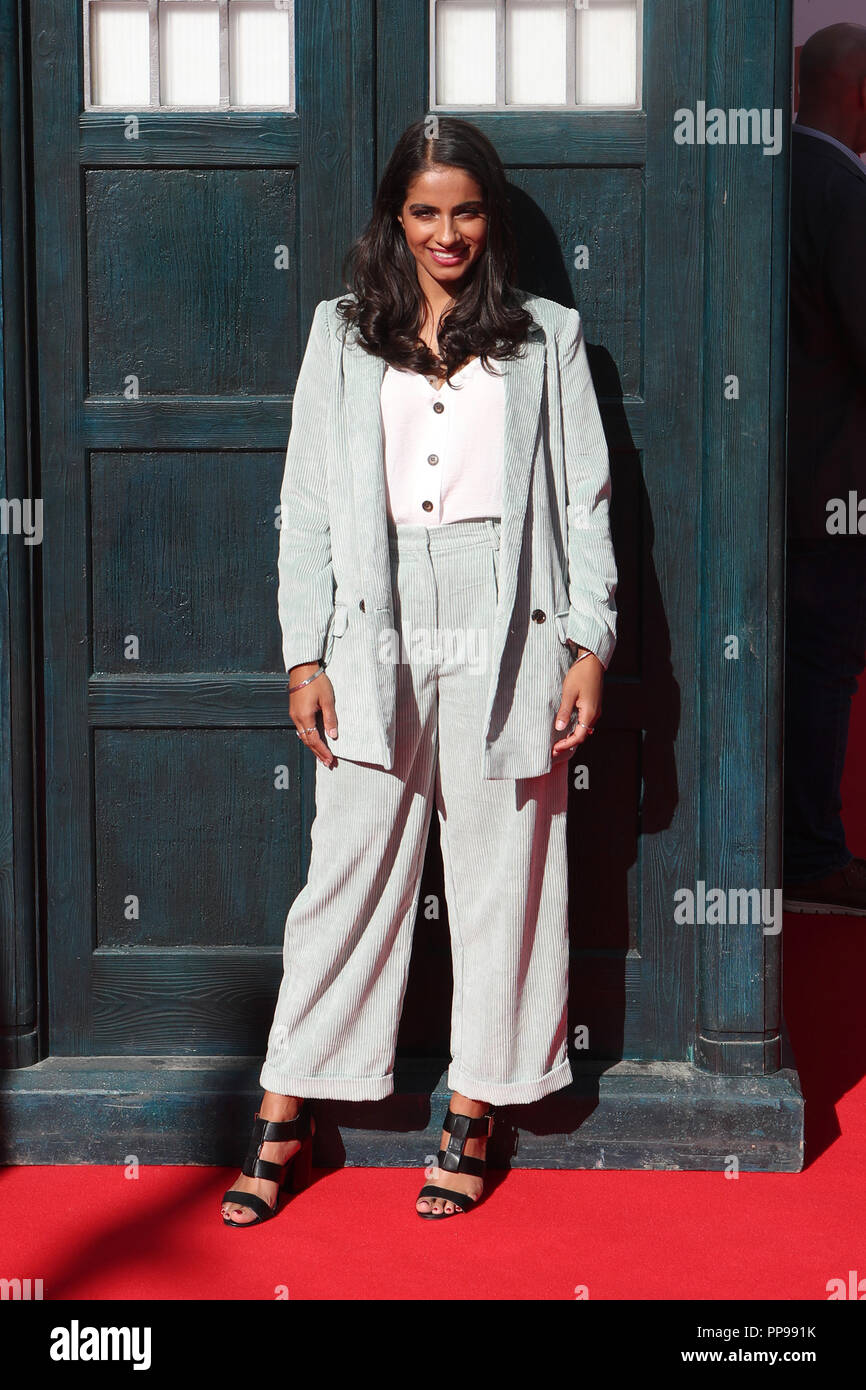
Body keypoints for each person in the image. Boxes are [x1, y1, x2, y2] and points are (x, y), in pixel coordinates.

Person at [220, 116, 617, 1226]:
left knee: (506, 875)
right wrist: (304, 654)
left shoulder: (545, 337)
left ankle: (475, 1106)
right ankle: (284, 1108)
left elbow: (584, 503)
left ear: (490, 217)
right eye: (424, 212)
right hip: (374, 616)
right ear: (395, 219)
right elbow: (305, 506)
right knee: (344, 871)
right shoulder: (339, 334)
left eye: (466, 210)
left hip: (509, 614)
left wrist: (589, 644)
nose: (447, 233)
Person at [783, 23, 866, 916]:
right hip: (837, 485)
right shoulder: (841, 187)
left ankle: (796, 844)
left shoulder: (777, 176)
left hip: (786, 477)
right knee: (825, 667)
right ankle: (811, 853)